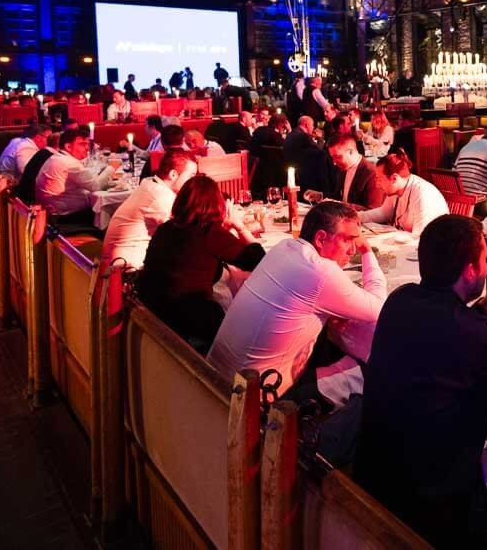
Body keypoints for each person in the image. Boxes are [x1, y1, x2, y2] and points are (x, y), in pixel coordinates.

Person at [355, 215, 487, 546]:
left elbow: (447, 337)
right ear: (470, 270)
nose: (486, 268)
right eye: (484, 259)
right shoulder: (473, 336)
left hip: (374, 481)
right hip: (434, 514)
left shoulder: (401, 299)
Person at [208, 201, 383, 403]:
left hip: (217, 378)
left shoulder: (284, 247)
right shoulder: (320, 272)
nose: (353, 249)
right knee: (371, 370)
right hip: (254, 400)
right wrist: (367, 251)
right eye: (349, 240)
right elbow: (380, 309)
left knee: (329, 341)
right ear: (320, 238)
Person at [134, 176, 265, 353]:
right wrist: (239, 226)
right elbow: (258, 261)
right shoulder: (209, 232)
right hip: (190, 318)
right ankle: (235, 377)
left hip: (152, 309)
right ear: (218, 205)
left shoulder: (166, 228)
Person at [102, 149, 198, 268]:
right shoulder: (161, 197)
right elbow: (185, 235)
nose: (194, 182)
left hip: (117, 259)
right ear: (173, 174)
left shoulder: (150, 183)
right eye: (191, 176)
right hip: (126, 268)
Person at [35, 128, 114, 225]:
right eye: (82, 144)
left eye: (87, 144)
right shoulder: (70, 164)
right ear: (68, 147)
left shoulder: (55, 157)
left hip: (51, 214)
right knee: (113, 210)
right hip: (66, 218)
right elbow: (96, 186)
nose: (86, 148)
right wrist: (110, 168)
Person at [359, 150, 448, 234]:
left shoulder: (423, 195)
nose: (377, 185)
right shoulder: (396, 189)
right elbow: (383, 213)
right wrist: (357, 217)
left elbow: (418, 238)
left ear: (394, 178)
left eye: (379, 179)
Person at [307, 134, 384, 208]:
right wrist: (321, 196)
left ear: (350, 152)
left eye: (337, 157)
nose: (334, 162)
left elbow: (373, 209)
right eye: (333, 158)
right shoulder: (342, 169)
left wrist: (340, 205)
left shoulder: (371, 173)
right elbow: (339, 197)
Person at [250, 114, 288, 199]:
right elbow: (284, 148)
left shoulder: (259, 130)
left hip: (255, 167)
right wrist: (287, 131)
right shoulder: (274, 135)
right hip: (272, 170)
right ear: (280, 125)